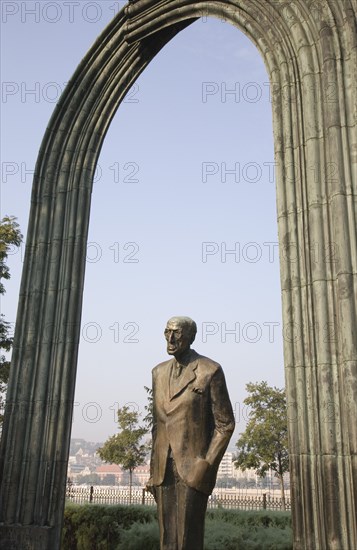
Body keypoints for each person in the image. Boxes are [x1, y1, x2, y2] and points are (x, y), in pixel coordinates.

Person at [146, 316, 235, 550]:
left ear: (191, 337)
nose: (171, 338)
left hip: (192, 468)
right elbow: (157, 425)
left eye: (177, 333)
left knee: (188, 540)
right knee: (167, 539)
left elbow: (225, 424)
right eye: (167, 332)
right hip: (163, 468)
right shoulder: (158, 373)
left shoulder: (209, 370)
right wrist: (152, 468)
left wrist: (205, 464)